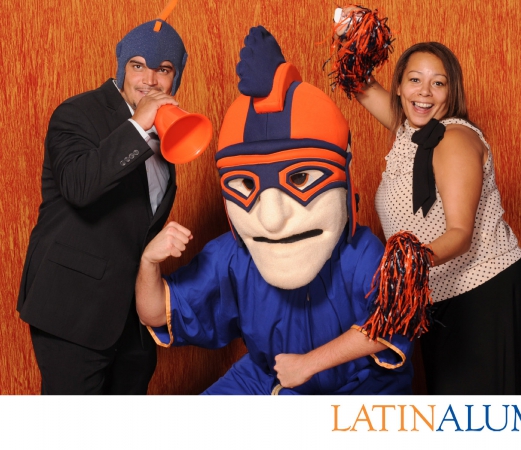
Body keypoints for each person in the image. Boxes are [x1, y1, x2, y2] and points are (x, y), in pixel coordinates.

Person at [135, 26, 418, 395]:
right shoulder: (234, 256)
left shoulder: (363, 254)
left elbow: (392, 323)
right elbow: (155, 313)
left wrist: (309, 364)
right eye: (247, 185)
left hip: (358, 389)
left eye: (301, 178)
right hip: (266, 378)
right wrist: (148, 263)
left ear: (344, 181)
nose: (271, 218)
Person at [342, 14, 521, 394]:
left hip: (484, 292)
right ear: (399, 86)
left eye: (438, 83)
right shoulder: (410, 130)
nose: (425, 93)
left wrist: (405, 267)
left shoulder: (454, 139)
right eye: (415, 79)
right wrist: (351, 32)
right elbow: (359, 84)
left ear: (452, 92)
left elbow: (461, 234)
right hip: (438, 298)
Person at [16, 17, 188, 394]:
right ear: (122, 67)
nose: (150, 80)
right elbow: (79, 186)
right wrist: (138, 126)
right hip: (72, 311)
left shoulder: (167, 135)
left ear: (175, 79)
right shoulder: (76, 114)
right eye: (138, 65)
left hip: (131, 322)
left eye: (163, 70)